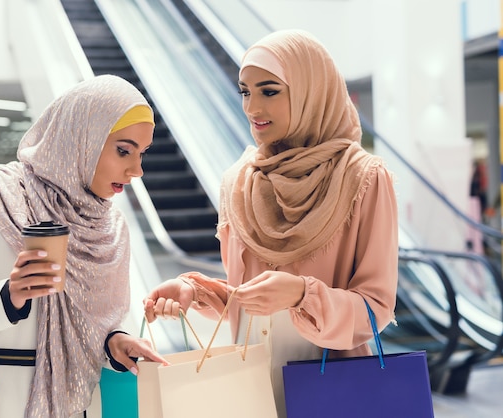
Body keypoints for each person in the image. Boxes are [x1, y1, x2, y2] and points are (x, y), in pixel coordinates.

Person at [143, 29, 399, 417]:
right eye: (245, 91)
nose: (252, 108)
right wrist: (194, 293)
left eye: (269, 91)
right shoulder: (239, 182)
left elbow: (376, 308)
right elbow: (245, 301)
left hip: (332, 391)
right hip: (250, 390)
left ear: (312, 90)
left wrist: (302, 295)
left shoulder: (363, 178)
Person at [0, 74, 168, 418]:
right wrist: (6, 298)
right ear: (81, 139)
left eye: (143, 154)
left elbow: (105, 322)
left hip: (81, 404)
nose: (137, 170)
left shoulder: (111, 226)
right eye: (123, 150)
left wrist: (114, 342)